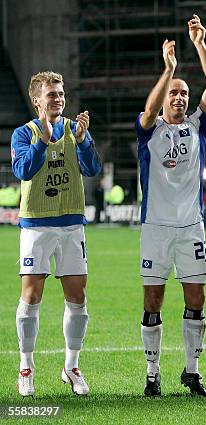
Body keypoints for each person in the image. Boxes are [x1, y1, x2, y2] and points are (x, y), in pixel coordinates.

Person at [135, 14, 206, 397]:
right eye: (175, 92)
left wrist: (199, 44)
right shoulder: (149, 129)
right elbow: (148, 111)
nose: (180, 97)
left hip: (191, 227)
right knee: (153, 299)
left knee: (196, 297)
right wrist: (167, 70)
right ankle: (153, 373)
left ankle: (191, 370)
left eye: (184, 93)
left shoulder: (197, 127)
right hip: (155, 228)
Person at [11, 71, 102, 396]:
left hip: (71, 224)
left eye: (61, 94)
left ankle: (71, 366)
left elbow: (93, 169)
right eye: (52, 95)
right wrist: (42, 140)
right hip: (36, 225)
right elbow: (23, 170)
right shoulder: (24, 133)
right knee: (31, 297)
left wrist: (83, 140)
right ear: (37, 100)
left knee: (77, 298)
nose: (59, 99)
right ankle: (26, 366)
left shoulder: (73, 131)